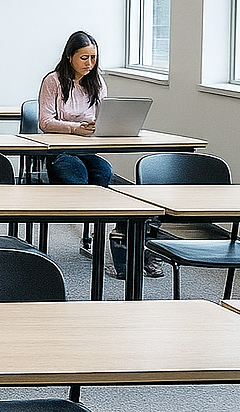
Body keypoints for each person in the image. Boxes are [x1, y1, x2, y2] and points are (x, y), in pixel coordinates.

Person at [37, 30, 162, 278]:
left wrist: (100, 125)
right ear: (69, 56)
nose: (90, 63)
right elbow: (45, 122)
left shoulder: (97, 83)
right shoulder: (53, 81)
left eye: (93, 58)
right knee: (78, 176)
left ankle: (120, 236)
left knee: (105, 172)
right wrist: (75, 128)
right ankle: (106, 226)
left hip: (88, 150)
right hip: (61, 152)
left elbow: (103, 116)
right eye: (84, 58)